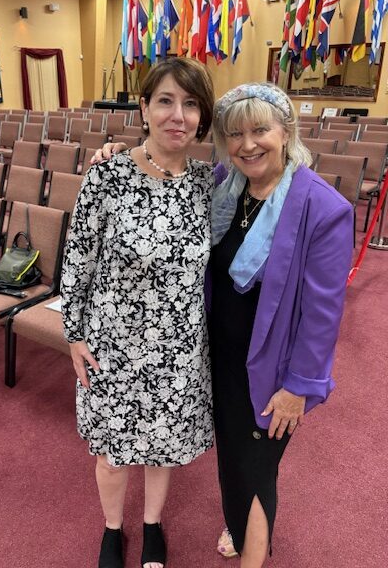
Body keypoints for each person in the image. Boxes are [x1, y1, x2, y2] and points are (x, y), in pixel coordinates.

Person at [92, 82, 353, 568]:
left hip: (271, 371)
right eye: (235, 134)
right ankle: (238, 526)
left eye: (260, 131)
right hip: (217, 358)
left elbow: (323, 314)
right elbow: (156, 171)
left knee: (255, 471)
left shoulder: (322, 208)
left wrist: (299, 387)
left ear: (286, 131)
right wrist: (116, 151)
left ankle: (252, 550)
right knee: (232, 461)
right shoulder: (223, 187)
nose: (247, 144)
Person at [60, 57, 215, 568]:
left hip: (178, 348)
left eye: (191, 104)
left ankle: (151, 524)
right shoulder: (107, 175)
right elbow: (77, 259)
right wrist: (74, 335)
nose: (179, 115)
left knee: (162, 447)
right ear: (144, 107)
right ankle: (111, 529)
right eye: (166, 101)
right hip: (113, 343)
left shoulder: (208, 185)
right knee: (111, 450)